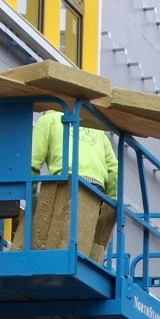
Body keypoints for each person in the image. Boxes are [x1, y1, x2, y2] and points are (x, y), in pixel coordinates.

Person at [30, 106, 118, 259]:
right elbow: (114, 170)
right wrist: (112, 202)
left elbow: (32, 162)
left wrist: (31, 195)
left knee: (56, 233)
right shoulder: (96, 129)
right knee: (82, 234)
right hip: (96, 187)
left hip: (66, 181)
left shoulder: (47, 120)